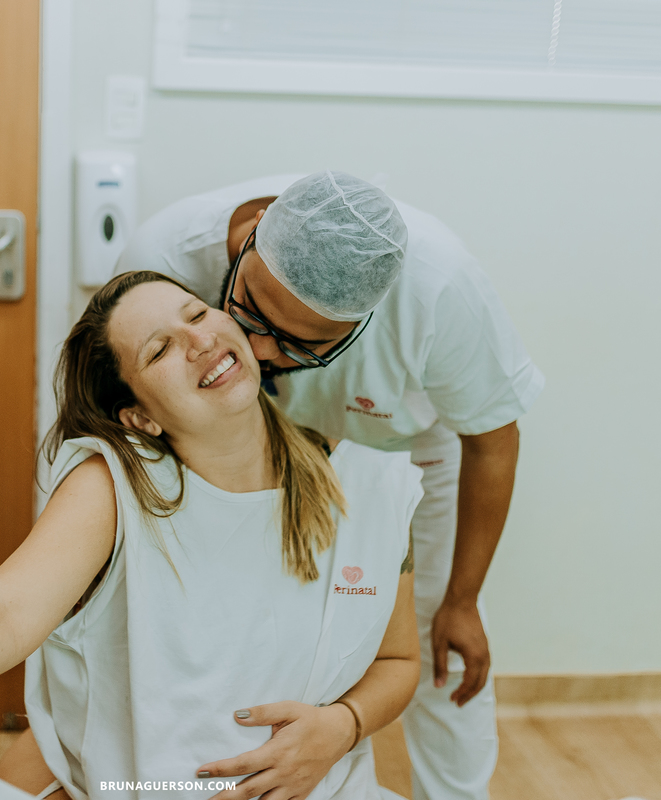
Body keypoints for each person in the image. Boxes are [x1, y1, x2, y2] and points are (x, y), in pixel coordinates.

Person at [0, 271, 425, 800]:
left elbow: (398, 662)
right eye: (159, 350)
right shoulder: (120, 483)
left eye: (197, 313)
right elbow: (6, 612)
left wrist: (344, 725)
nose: (199, 340)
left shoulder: (372, 488)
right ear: (140, 415)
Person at [108, 172, 546, 800]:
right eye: (249, 312)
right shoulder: (165, 258)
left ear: (365, 322)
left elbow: (492, 441)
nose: (258, 350)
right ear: (252, 233)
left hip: (402, 443)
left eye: (298, 344)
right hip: (250, 440)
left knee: (440, 640)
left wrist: (463, 599)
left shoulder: (441, 289)